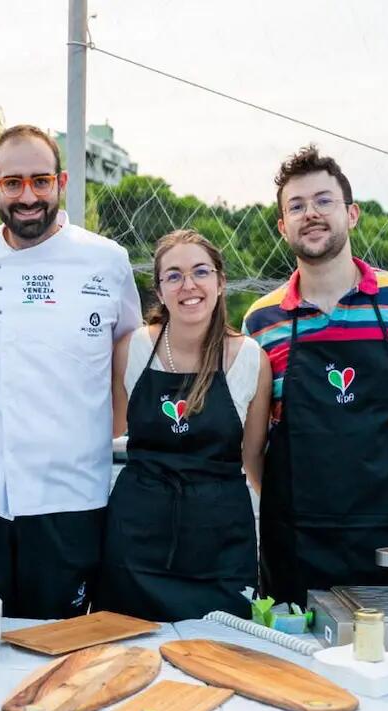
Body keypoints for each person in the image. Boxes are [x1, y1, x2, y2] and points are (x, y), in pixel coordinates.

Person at [0, 124, 142, 619]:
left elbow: (127, 352)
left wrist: (106, 433)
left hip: (68, 495)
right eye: (13, 183)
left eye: (41, 181)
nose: (28, 196)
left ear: (61, 182)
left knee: (56, 650)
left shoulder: (107, 260)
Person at [244, 145, 388, 606]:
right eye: (297, 206)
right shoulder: (261, 323)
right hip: (300, 547)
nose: (311, 214)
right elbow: (253, 447)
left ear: (352, 214)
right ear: (282, 226)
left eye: (324, 201)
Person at [95, 229, 271, 622]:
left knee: (221, 661)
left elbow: (253, 460)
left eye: (200, 272)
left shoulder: (250, 360)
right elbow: (109, 429)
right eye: (173, 275)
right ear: (159, 291)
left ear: (221, 282)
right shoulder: (133, 350)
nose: (188, 285)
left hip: (220, 544)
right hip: (136, 541)